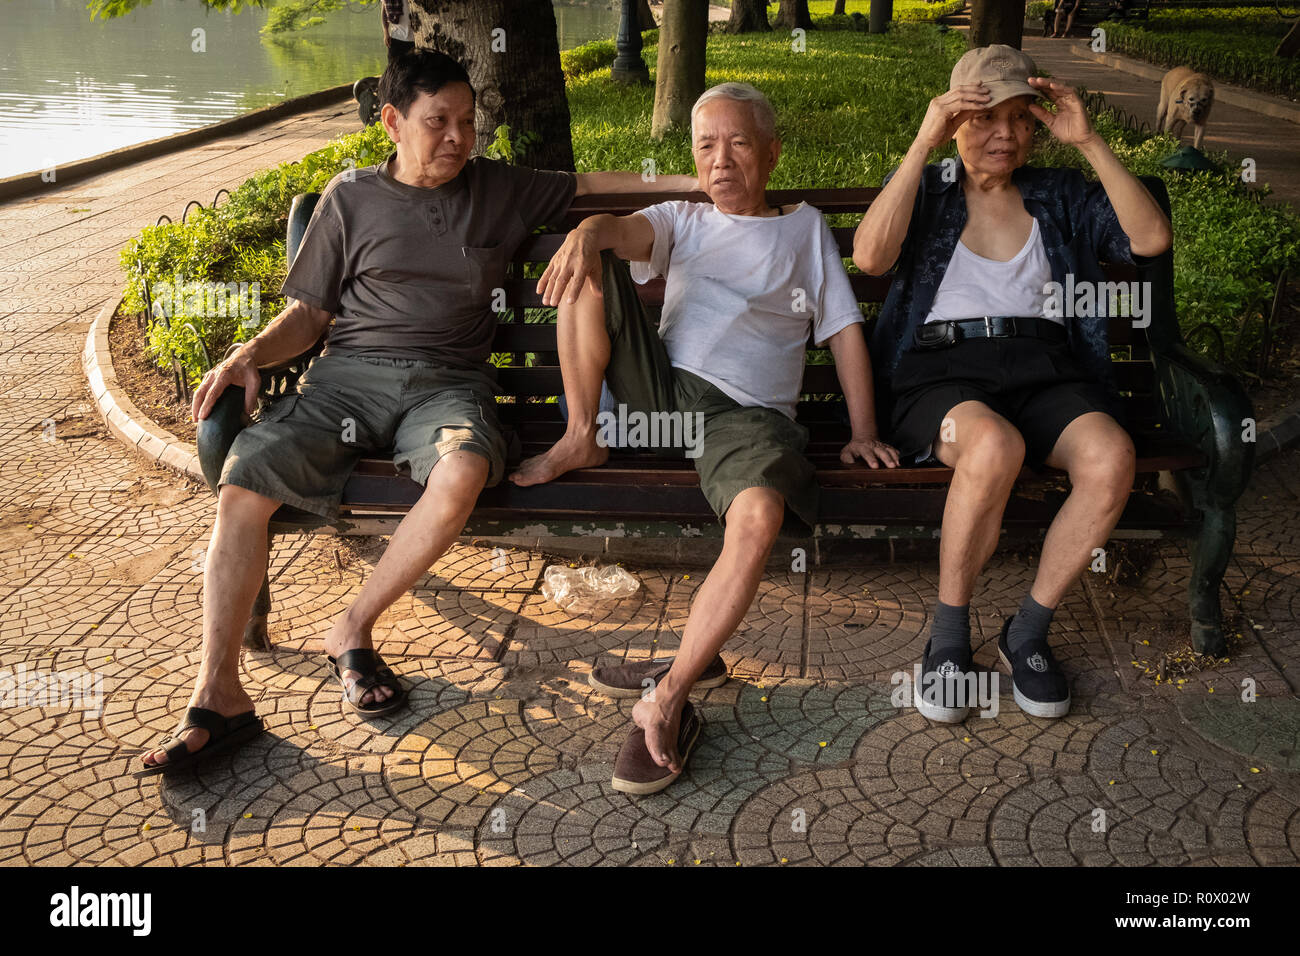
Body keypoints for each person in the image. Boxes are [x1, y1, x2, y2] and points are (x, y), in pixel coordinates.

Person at [136, 50, 698, 776]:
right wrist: (250, 352)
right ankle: (219, 695)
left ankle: (353, 628)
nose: (458, 138)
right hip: (344, 383)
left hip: (448, 387)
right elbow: (308, 314)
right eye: (439, 122)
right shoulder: (349, 198)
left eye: (468, 122)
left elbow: (594, 186)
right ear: (394, 123)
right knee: (244, 483)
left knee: (463, 469)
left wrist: (699, 181)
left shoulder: (500, 189)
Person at [510, 82, 899, 794]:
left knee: (757, 518)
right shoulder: (682, 218)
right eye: (705, 146)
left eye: (739, 143)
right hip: (659, 392)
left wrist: (863, 430)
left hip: (744, 418)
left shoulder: (804, 229)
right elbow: (624, 233)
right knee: (590, 260)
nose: (721, 161)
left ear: (772, 152)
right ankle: (580, 434)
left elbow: (843, 330)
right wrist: (590, 231)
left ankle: (669, 694)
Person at [853, 45, 1171, 722]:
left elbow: (1148, 239)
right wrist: (920, 145)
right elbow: (872, 256)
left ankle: (1026, 631)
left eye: (1020, 118)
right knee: (994, 447)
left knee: (1111, 456)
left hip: (1042, 367)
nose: (1004, 134)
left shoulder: (1057, 195)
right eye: (984, 116)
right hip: (939, 374)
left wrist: (1089, 143)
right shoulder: (932, 186)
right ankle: (947, 638)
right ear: (954, 120)